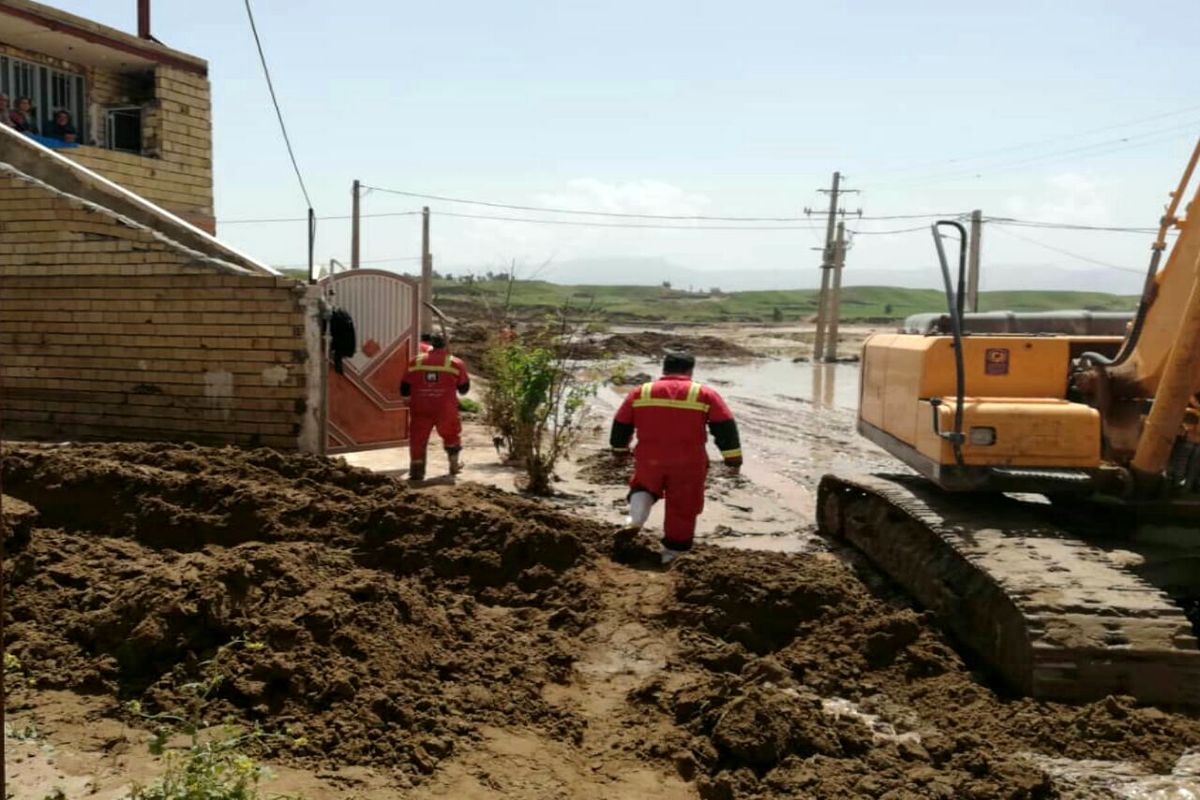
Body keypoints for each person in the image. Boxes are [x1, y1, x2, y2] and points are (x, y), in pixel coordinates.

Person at [610, 351, 742, 565]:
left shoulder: (641, 392)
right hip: (688, 461)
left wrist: (618, 450)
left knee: (643, 487)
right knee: (683, 505)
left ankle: (634, 520)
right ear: (690, 370)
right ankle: (672, 553)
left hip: (649, 457)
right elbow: (725, 427)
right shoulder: (704, 394)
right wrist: (733, 458)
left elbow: (621, 423)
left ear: (664, 369)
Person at [400, 334, 470, 481]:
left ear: (431, 344)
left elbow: (405, 386)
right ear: (446, 345)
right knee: (451, 435)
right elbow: (464, 388)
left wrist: (407, 398)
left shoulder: (415, 361)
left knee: (417, 438)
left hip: (420, 407)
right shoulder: (455, 363)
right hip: (445, 408)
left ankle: (417, 471)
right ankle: (454, 466)